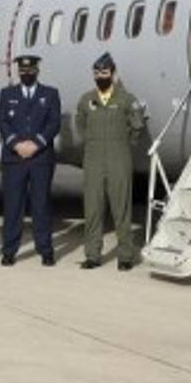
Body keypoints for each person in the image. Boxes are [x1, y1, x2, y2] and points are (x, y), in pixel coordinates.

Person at [76, 52, 147, 270]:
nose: (100, 76)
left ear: (113, 73)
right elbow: (81, 126)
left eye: (104, 72)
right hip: (94, 158)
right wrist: (92, 141)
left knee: (121, 209)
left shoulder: (126, 99)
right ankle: (93, 255)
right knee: (93, 208)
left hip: (119, 157)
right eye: (97, 73)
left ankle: (125, 256)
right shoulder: (87, 99)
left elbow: (137, 126)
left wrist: (124, 144)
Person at [0, 55, 61, 267]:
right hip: (14, 158)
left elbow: (54, 123)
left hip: (40, 157)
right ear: (18, 72)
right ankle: (9, 251)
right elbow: (2, 122)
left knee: (41, 204)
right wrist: (16, 144)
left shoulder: (50, 94)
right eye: (22, 71)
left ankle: (45, 250)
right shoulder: (7, 94)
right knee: (13, 206)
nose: (26, 74)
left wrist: (36, 144)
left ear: (37, 71)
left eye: (30, 70)